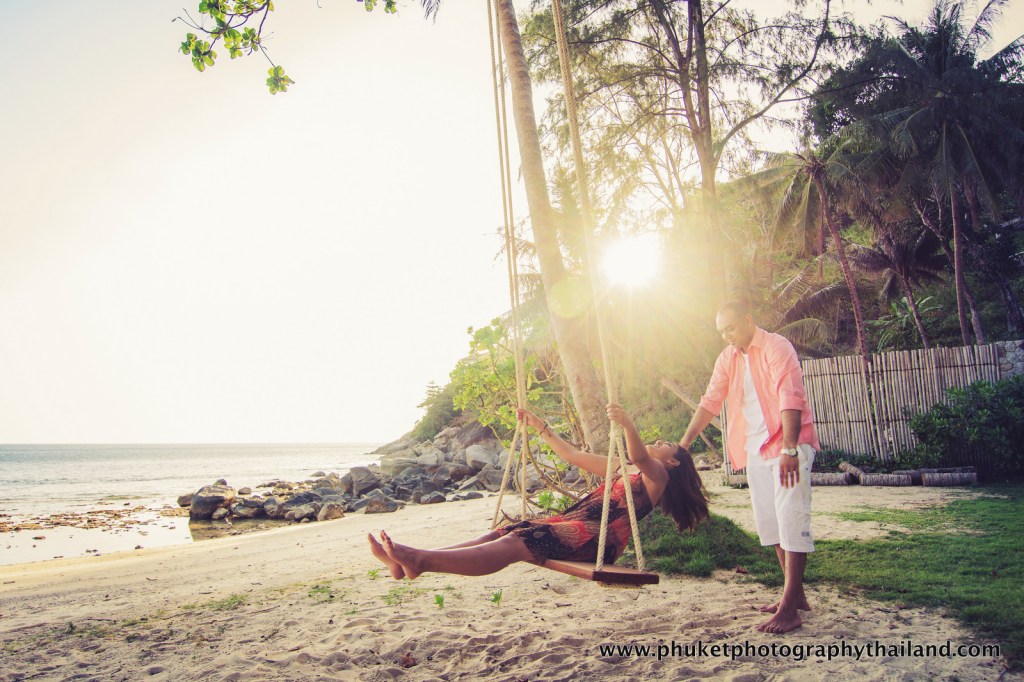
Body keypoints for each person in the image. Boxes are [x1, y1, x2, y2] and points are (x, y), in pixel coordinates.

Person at [368, 403, 709, 581]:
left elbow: (639, 456)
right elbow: (573, 455)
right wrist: (539, 426)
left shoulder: (658, 475)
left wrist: (628, 424)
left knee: (518, 543)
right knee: (507, 530)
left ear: (675, 464)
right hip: (573, 526)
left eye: (667, 445)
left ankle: (420, 561)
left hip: (594, 540)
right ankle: (412, 560)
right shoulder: (623, 467)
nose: (660, 442)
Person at [680, 300, 820, 634]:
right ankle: (795, 594)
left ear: (748, 319)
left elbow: (791, 396)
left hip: (789, 444)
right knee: (770, 522)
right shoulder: (728, 358)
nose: (726, 336)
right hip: (756, 449)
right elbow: (710, 401)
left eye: (730, 328)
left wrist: (788, 447)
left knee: (791, 517)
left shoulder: (776, 346)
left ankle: (788, 609)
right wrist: (683, 445)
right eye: (721, 331)